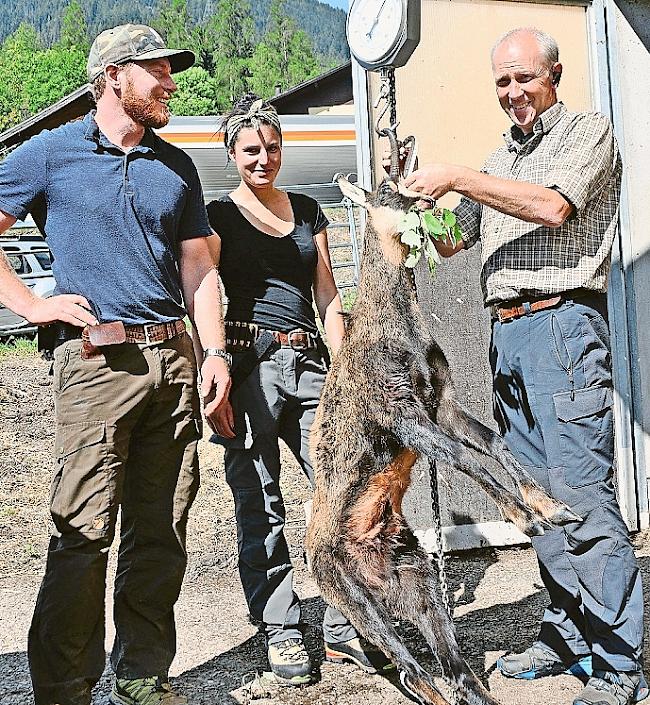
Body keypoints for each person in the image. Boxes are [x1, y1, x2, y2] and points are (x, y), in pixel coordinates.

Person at [401, 27, 645, 705]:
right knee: (533, 500)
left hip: (564, 328)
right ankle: (567, 631)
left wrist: (456, 175)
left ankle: (621, 664)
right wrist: (418, 215)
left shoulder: (586, 135)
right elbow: (455, 242)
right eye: (502, 83)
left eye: (523, 78)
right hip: (506, 336)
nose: (512, 92)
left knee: (582, 499)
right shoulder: (497, 156)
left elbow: (551, 206)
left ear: (554, 75)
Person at [0, 24, 231, 705]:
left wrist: (214, 350)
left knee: (161, 529)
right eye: (156, 71)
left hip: (175, 360)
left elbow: (200, 268)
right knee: (84, 533)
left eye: (169, 71)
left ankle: (140, 677)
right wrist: (32, 306)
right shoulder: (50, 153)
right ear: (113, 78)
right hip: (96, 363)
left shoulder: (175, 165)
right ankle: (65, 692)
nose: (170, 83)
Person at [205, 94, 394, 686]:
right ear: (232, 153)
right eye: (251, 150)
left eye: (272, 147)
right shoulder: (218, 217)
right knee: (260, 499)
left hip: (308, 358)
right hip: (246, 361)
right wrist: (215, 374)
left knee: (342, 490)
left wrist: (347, 371)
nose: (264, 158)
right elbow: (205, 289)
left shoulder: (310, 210)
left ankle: (344, 625)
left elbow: (329, 296)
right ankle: (282, 627)